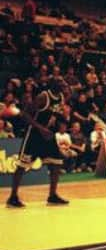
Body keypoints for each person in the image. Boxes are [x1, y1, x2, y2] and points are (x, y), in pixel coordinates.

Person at [6, 78, 69, 208]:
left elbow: (54, 114)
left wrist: (58, 124)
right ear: (53, 85)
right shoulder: (43, 96)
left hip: (48, 135)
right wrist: (41, 128)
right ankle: (12, 197)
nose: (64, 84)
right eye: (61, 82)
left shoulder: (61, 97)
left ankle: (52, 196)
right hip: (34, 135)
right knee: (22, 165)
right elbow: (25, 114)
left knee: (55, 164)